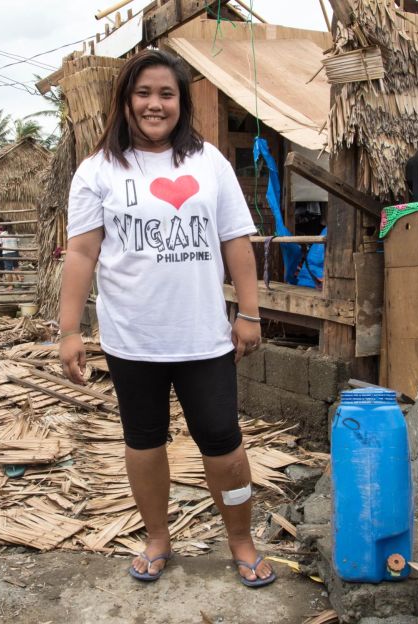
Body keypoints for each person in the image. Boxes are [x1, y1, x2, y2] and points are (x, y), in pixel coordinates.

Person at [58, 49, 272, 587]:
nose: (155, 104)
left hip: (204, 337)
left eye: (167, 94)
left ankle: (241, 540)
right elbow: (81, 254)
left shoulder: (208, 163)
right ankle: (157, 538)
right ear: (126, 100)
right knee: (144, 442)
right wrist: (67, 331)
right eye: (144, 93)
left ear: (182, 102)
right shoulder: (98, 170)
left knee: (223, 444)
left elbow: (236, 242)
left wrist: (249, 312)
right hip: (133, 338)